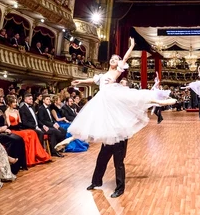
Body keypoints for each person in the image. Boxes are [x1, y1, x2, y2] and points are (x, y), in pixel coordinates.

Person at [57, 38, 176, 198]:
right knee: (101, 159)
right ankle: (96, 181)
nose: (114, 60)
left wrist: (132, 46)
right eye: (112, 59)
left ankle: (120, 188)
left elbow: (125, 58)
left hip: (117, 125)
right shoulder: (102, 75)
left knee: (118, 162)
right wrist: (81, 80)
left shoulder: (117, 71)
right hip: (107, 122)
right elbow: (93, 80)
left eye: (116, 59)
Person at [0, 95, 28, 173]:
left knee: (19, 139)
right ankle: (11, 165)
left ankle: (19, 164)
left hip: (3, 131)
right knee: (13, 140)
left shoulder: (0, 111)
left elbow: (5, 122)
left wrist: (5, 128)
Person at [5, 95, 51, 166]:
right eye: (14, 102)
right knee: (27, 134)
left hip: (19, 129)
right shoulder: (6, 112)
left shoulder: (17, 111)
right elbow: (9, 125)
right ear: (9, 103)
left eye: (16, 102)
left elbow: (20, 122)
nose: (16, 104)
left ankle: (36, 156)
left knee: (32, 133)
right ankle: (29, 159)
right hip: (12, 130)